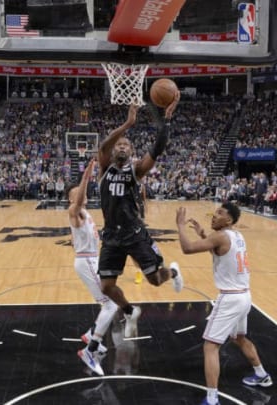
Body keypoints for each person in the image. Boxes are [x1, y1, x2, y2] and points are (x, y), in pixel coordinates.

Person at [97, 100, 184, 339]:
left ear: (132, 152)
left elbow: (157, 149)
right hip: (112, 236)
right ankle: (129, 310)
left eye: (127, 145)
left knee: (155, 280)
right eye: (120, 144)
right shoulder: (104, 168)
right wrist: (127, 124)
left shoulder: (136, 170)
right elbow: (103, 147)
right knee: (106, 286)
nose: (122, 146)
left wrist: (166, 120)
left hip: (134, 233)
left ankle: (173, 273)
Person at [176, 203, 272, 405]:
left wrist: (180, 226)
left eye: (220, 213)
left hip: (230, 298)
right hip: (244, 296)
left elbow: (187, 248)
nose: (214, 215)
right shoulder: (237, 236)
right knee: (239, 338)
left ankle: (212, 399)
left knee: (210, 346)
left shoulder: (219, 236)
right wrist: (203, 234)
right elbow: (219, 252)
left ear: (229, 220)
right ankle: (261, 374)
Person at [68, 159, 117, 376]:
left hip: (92, 259)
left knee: (106, 304)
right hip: (86, 261)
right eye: (78, 192)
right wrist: (86, 175)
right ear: (72, 197)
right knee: (110, 306)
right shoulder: (74, 209)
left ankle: (91, 335)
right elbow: (78, 202)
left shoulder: (86, 213)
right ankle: (89, 349)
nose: (82, 193)